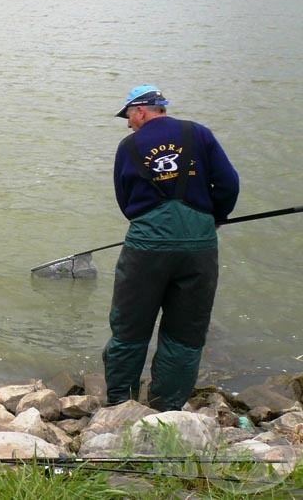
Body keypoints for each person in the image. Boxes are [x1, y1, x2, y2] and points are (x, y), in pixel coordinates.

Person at [102, 85, 239, 412]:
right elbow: (229, 183)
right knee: (185, 334)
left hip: (146, 245)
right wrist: (215, 217)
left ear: (141, 111)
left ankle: (122, 403)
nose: (127, 124)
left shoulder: (129, 147)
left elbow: (125, 200)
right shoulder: (199, 134)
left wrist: (150, 221)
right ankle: (167, 408)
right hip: (199, 245)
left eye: (128, 116)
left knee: (129, 329)